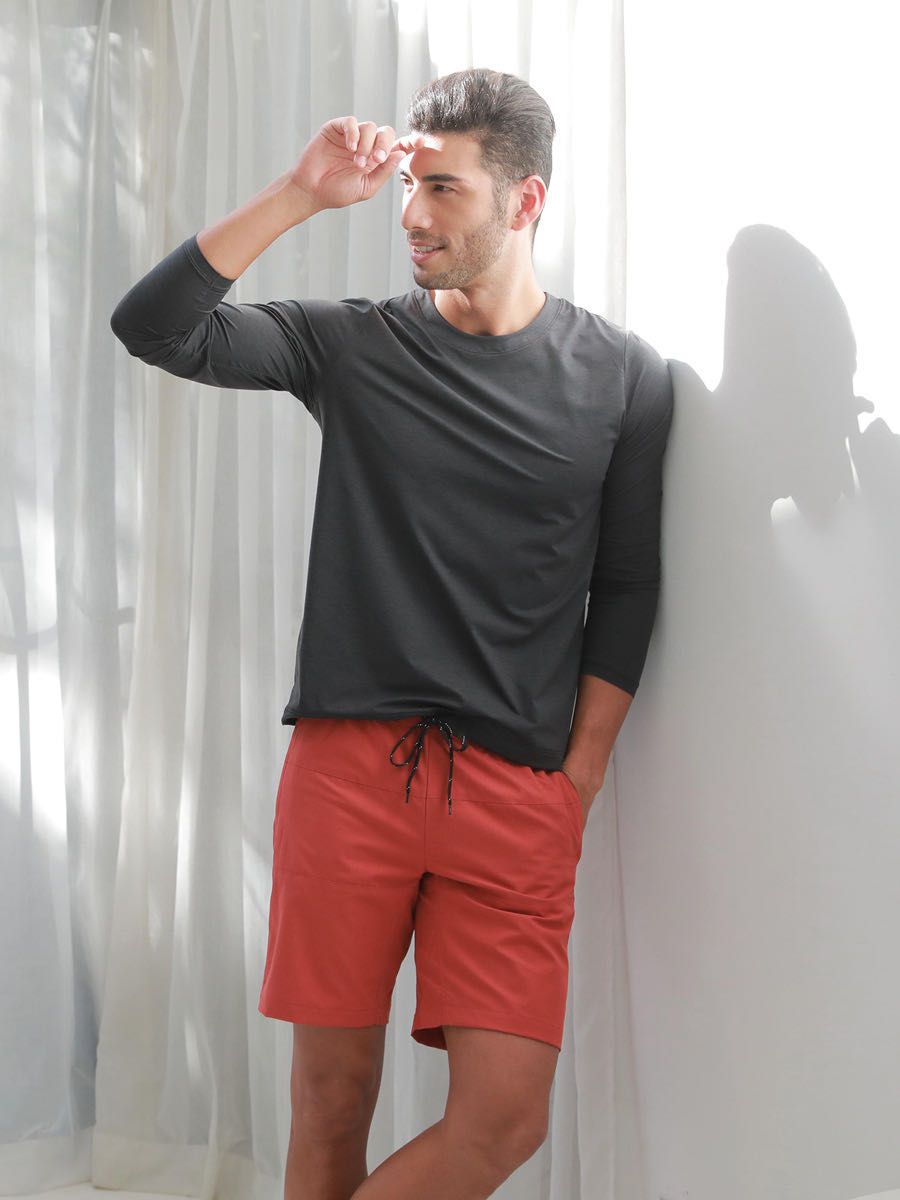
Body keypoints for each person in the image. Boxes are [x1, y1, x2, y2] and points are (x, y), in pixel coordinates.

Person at [110, 67, 674, 1200]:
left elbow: (624, 585)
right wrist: (300, 193)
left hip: (517, 792)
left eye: (443, 189)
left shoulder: (624, 376)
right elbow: (153, 327)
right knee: (330, 1102)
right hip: (350, 776)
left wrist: (580, 776)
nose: (411, 214)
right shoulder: (354, 346)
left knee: (504, 1120)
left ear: (526, 201)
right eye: (409, 186)